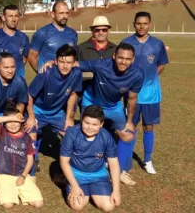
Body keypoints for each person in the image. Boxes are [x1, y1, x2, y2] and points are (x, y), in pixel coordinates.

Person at [78, 43, 144, 186]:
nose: (123, 61)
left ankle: (118, 171)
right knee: (87, 133)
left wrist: (129, 121)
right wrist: (53, 62)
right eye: (120, 57)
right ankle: (83, 169)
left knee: (127, 134)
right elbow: (76, 64)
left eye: (127, 59)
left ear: (133, 60)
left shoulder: (137, 74)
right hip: (92, 101)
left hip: (113, 106)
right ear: (114, 56)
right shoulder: (101, 65)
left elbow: (132, 98)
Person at [121, 12, 169, 176]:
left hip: (151, 95)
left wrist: (148, 80)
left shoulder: (157, 44)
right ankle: (126, 162)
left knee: (148, 126)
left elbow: (161, 64)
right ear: (134, 24)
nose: (142, 26)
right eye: (139, 23)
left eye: (145, 23)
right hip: (130, 94)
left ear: (150, 24)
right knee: (130, 126)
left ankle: (147, 160)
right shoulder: (126, 42)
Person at [26, 45, 82, 175]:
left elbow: (73, 94)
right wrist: (31, 117)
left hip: (57, 112)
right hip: (38, 110)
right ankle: (32, 164)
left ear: (74, 64)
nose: (65, 66)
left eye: (69, 62)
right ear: (56, 61)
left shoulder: (77, 73)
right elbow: (29, 95)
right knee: (31, 132)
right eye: (62, 62)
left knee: (72, 135)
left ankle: (68, 165)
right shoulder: (46, 72)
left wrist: (69, 117)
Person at [60, 105, 121, 212]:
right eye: (86, 123)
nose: (90, 127)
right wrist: (74, 186)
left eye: (94, 124)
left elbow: (114, 164)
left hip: (98, 175)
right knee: (77, 206)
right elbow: (64, 161)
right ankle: (71, 184)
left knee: (109, 206)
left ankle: (93, 190)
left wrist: (116, 190)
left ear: (101, 124)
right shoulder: (71, 134)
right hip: (77, 174)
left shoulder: (106, 137)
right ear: (81, 120)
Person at [0, 105, 43, 209]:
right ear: (5, 124)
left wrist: (23, 176)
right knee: (8, 205)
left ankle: (20, 190)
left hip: (21, 174)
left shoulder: (26, 137)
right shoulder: (2, 133)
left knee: (38, 203)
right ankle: (12, 191)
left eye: (16, 121)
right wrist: (14, 118)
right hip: (4, 174)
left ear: (21, 122)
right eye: (10, 122)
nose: (13, 124)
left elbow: (30, 160)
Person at [28, 0, 78, 73]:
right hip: (49, 78)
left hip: (67, 79)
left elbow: (73, 57)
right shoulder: (42, 33)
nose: (64, 16)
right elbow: (31, 56)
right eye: (61, 13)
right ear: (53, 14)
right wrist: (41, 73)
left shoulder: (73, 33)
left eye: (66, 13)